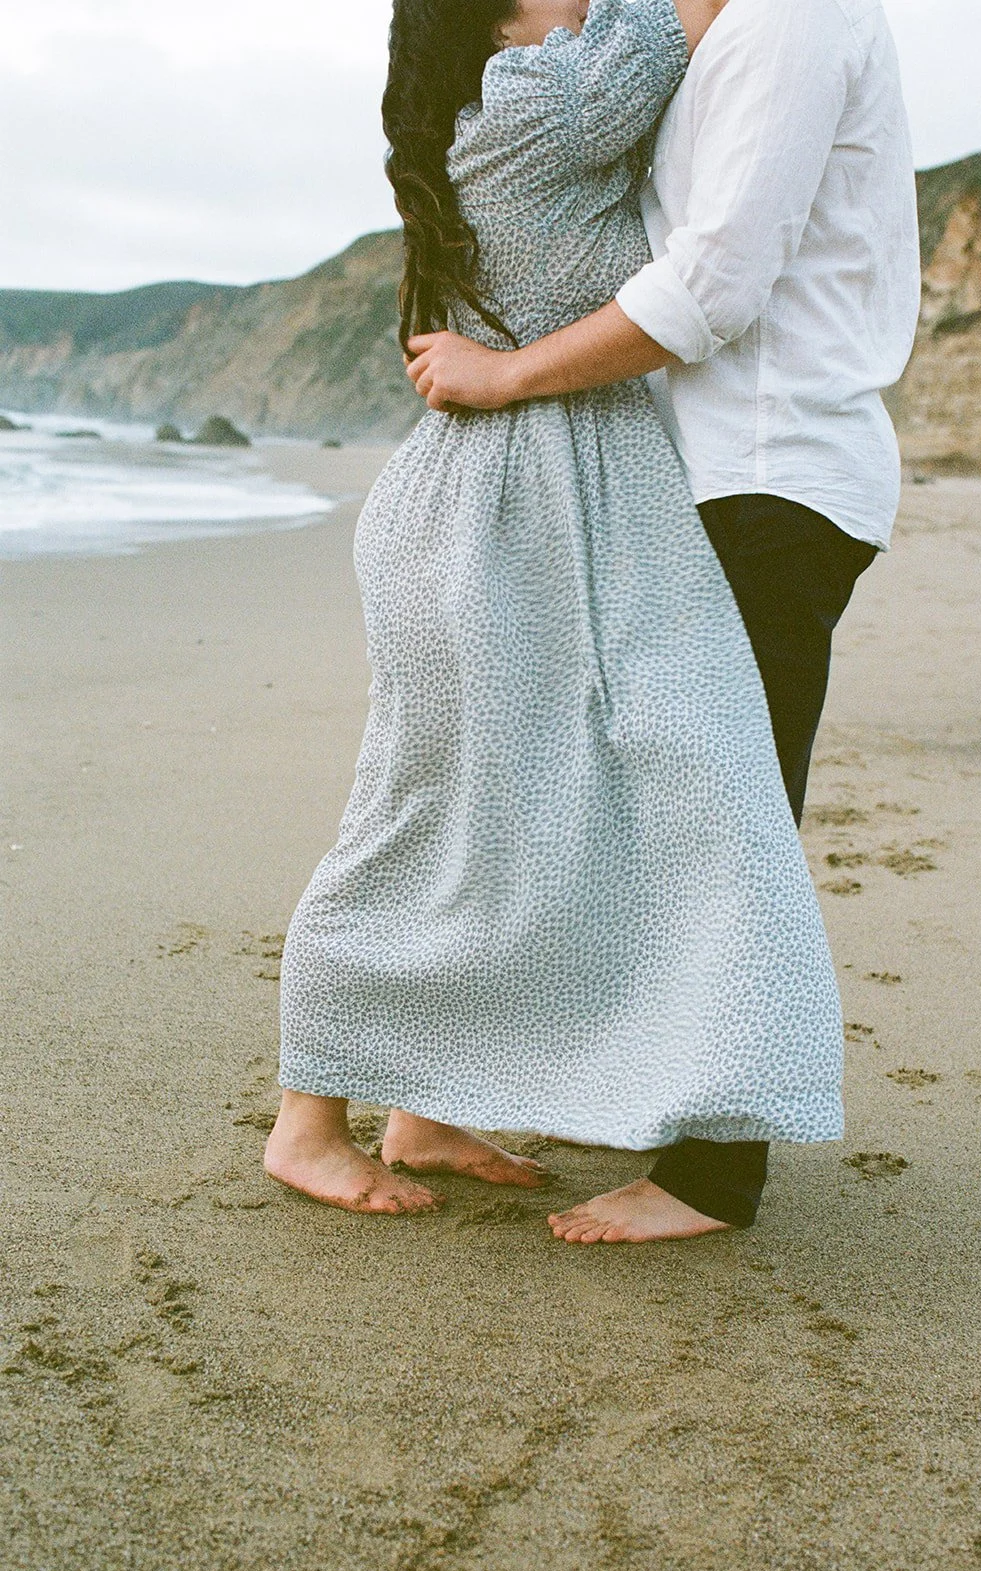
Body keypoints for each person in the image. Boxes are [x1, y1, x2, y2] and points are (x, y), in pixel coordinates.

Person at [266, 0, 846, 1243]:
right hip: (486, 519)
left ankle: (425, 1110)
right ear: (496, 21)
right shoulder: (543, 96)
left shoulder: (518, 94)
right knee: (420, 811)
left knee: (497, 816)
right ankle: (305, 1123)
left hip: (521, 504)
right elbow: (688, 13)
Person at [402, 0, 922, 1240]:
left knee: (727, 815)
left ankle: (710, 1173)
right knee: (656, 811)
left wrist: (506, 375)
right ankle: (646, 1100)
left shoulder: (792, 18)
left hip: (771, 473)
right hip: (694, 475)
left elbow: (714, 283)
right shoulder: (700, 23)